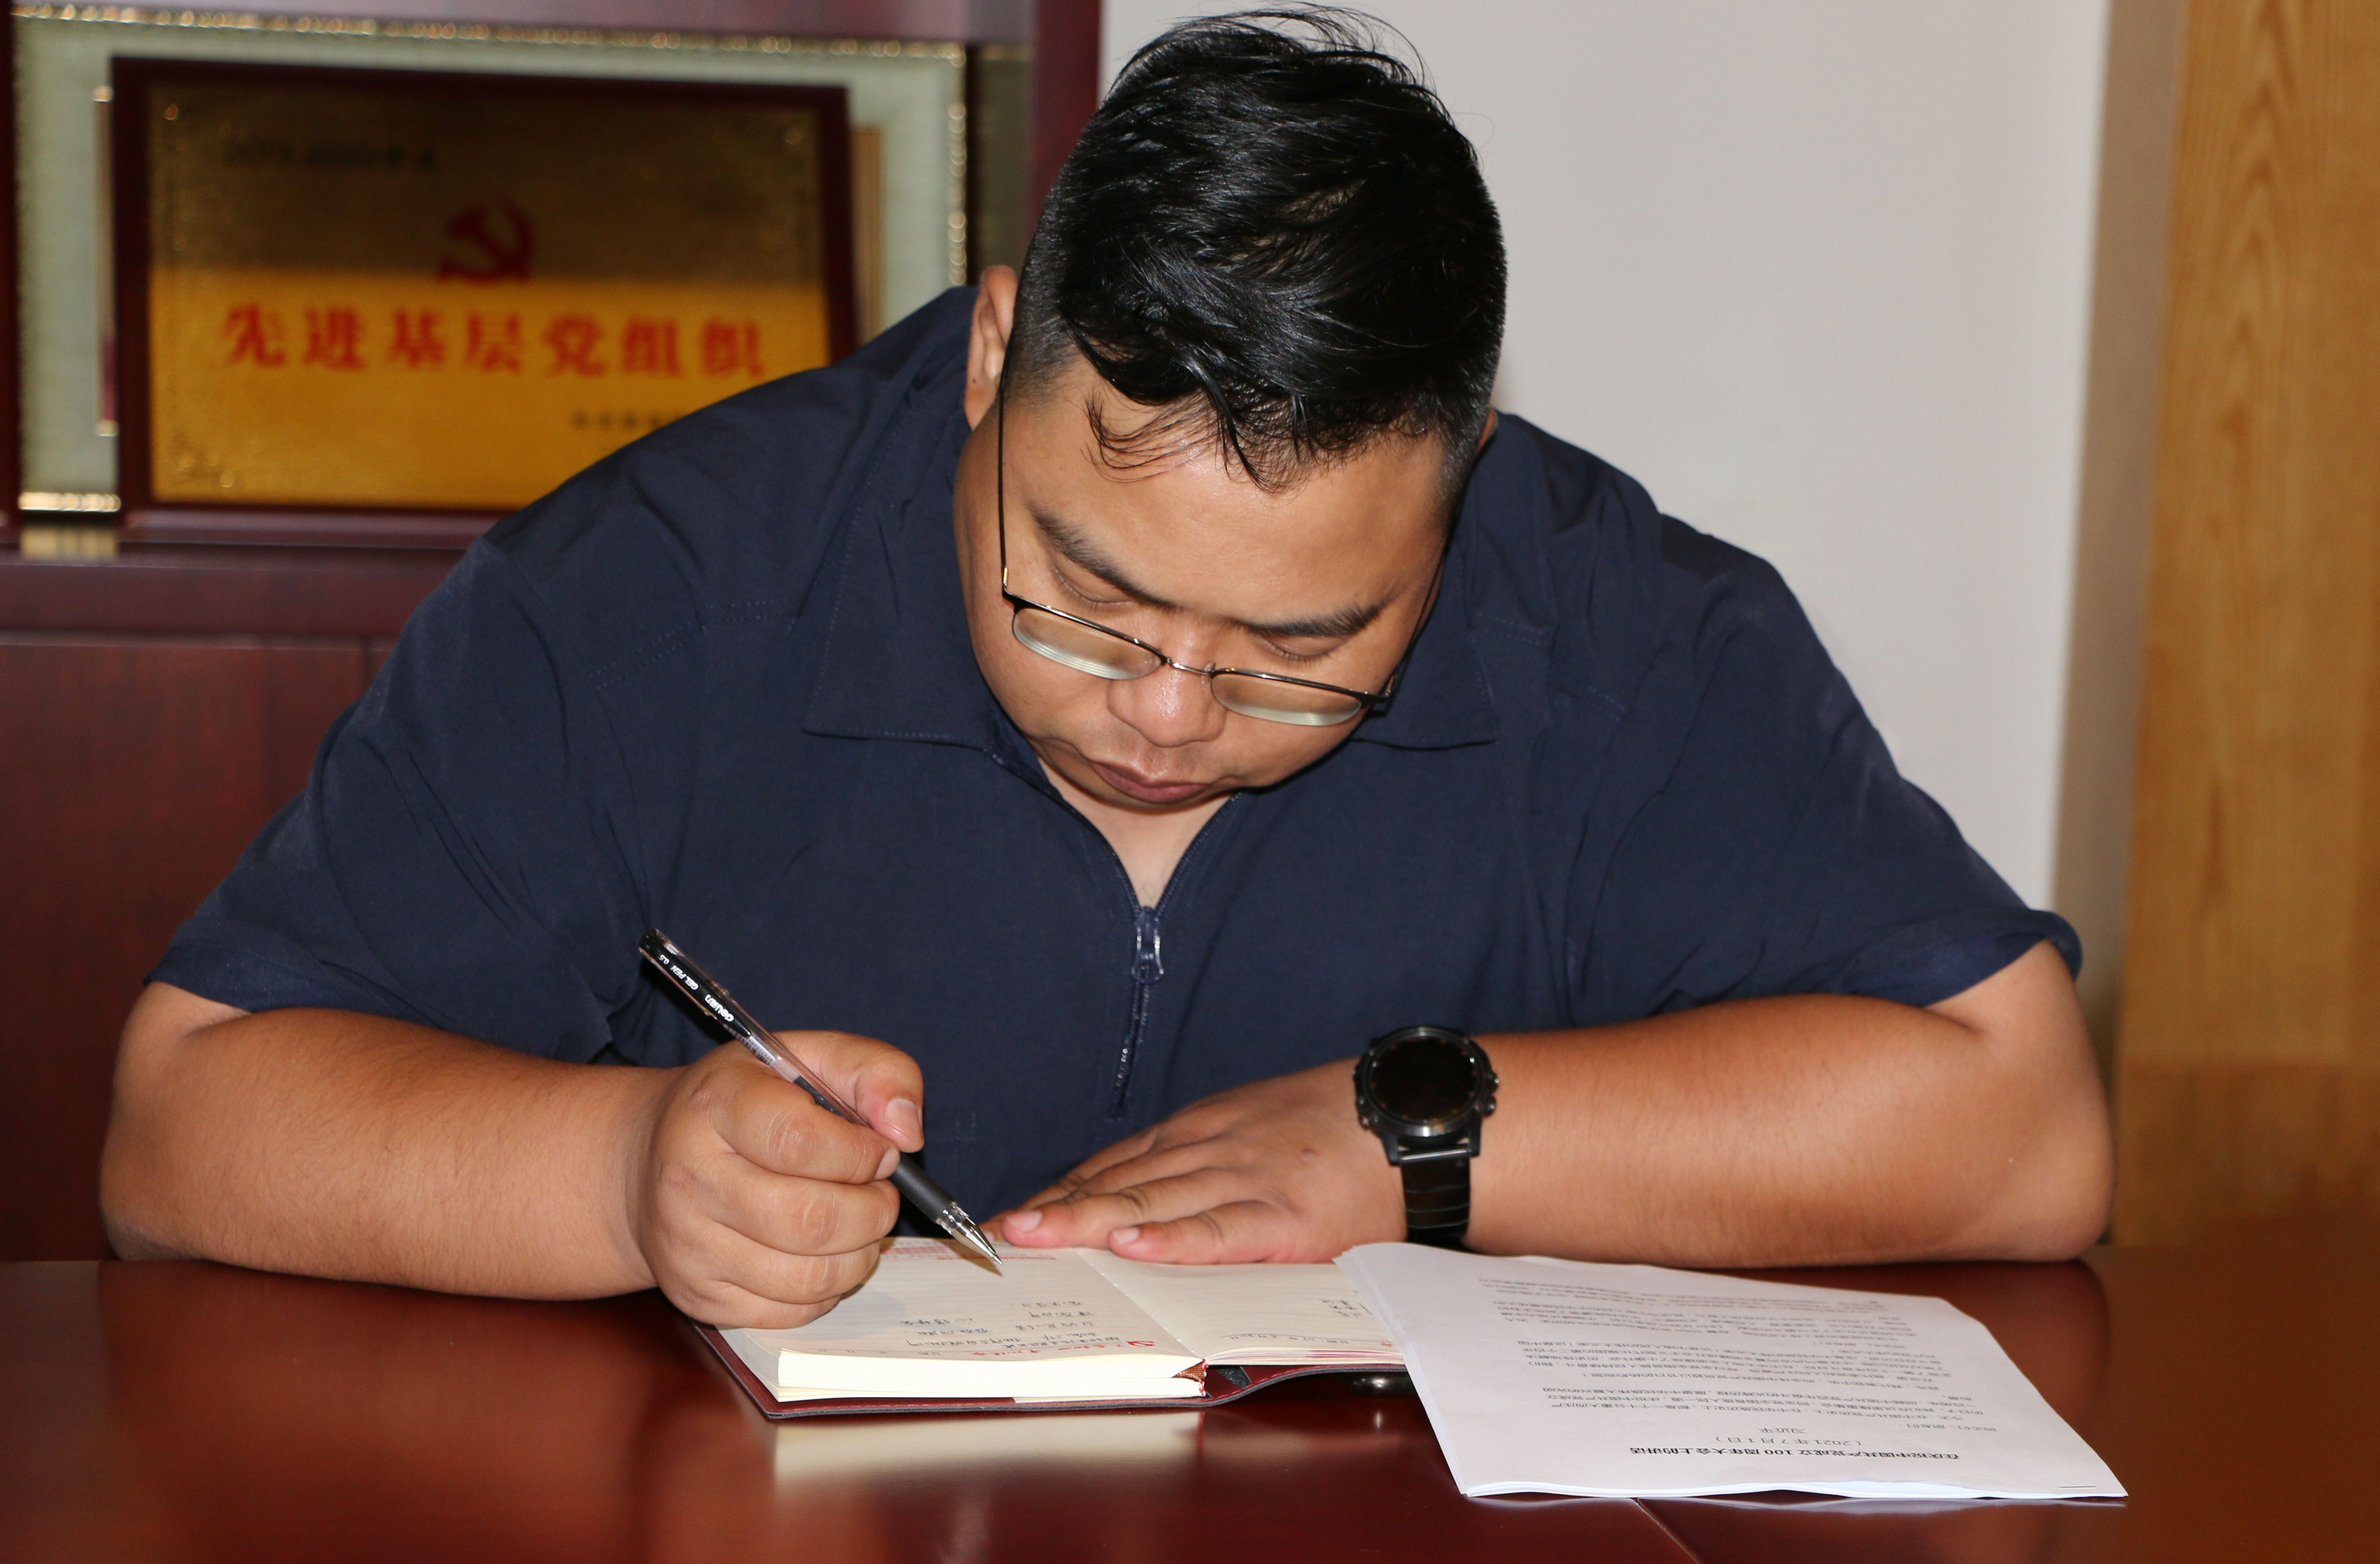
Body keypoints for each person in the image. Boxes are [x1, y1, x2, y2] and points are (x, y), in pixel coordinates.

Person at [101, 11, 2111, 1329]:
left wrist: (1407, 1144)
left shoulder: (1611, 622)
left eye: (1306, 647)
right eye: (1083, 592)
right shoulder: (663, 585)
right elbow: (188, 1123)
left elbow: (2019, 1123)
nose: (1167, 712)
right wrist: (627, 1178)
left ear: (1462, 478)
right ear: (994, 355)